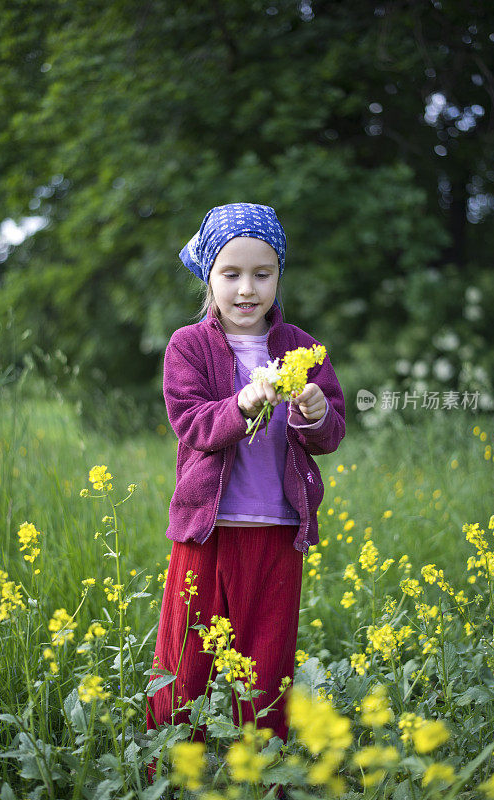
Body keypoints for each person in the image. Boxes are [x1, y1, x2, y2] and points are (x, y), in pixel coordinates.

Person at [146, 202, 346, 786]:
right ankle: (172, 769)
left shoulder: (304, 347)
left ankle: (261, 773)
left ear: (280, 275)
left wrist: (311, 412)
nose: (246, 288)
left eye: (262, 273)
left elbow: (330, 431)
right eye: (231, 273)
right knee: (187, 659)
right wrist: (245, 402)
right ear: (209, 276)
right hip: (207, 531)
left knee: (267, 658)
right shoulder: (188, 347)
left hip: (278, 531)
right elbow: (194, 426)